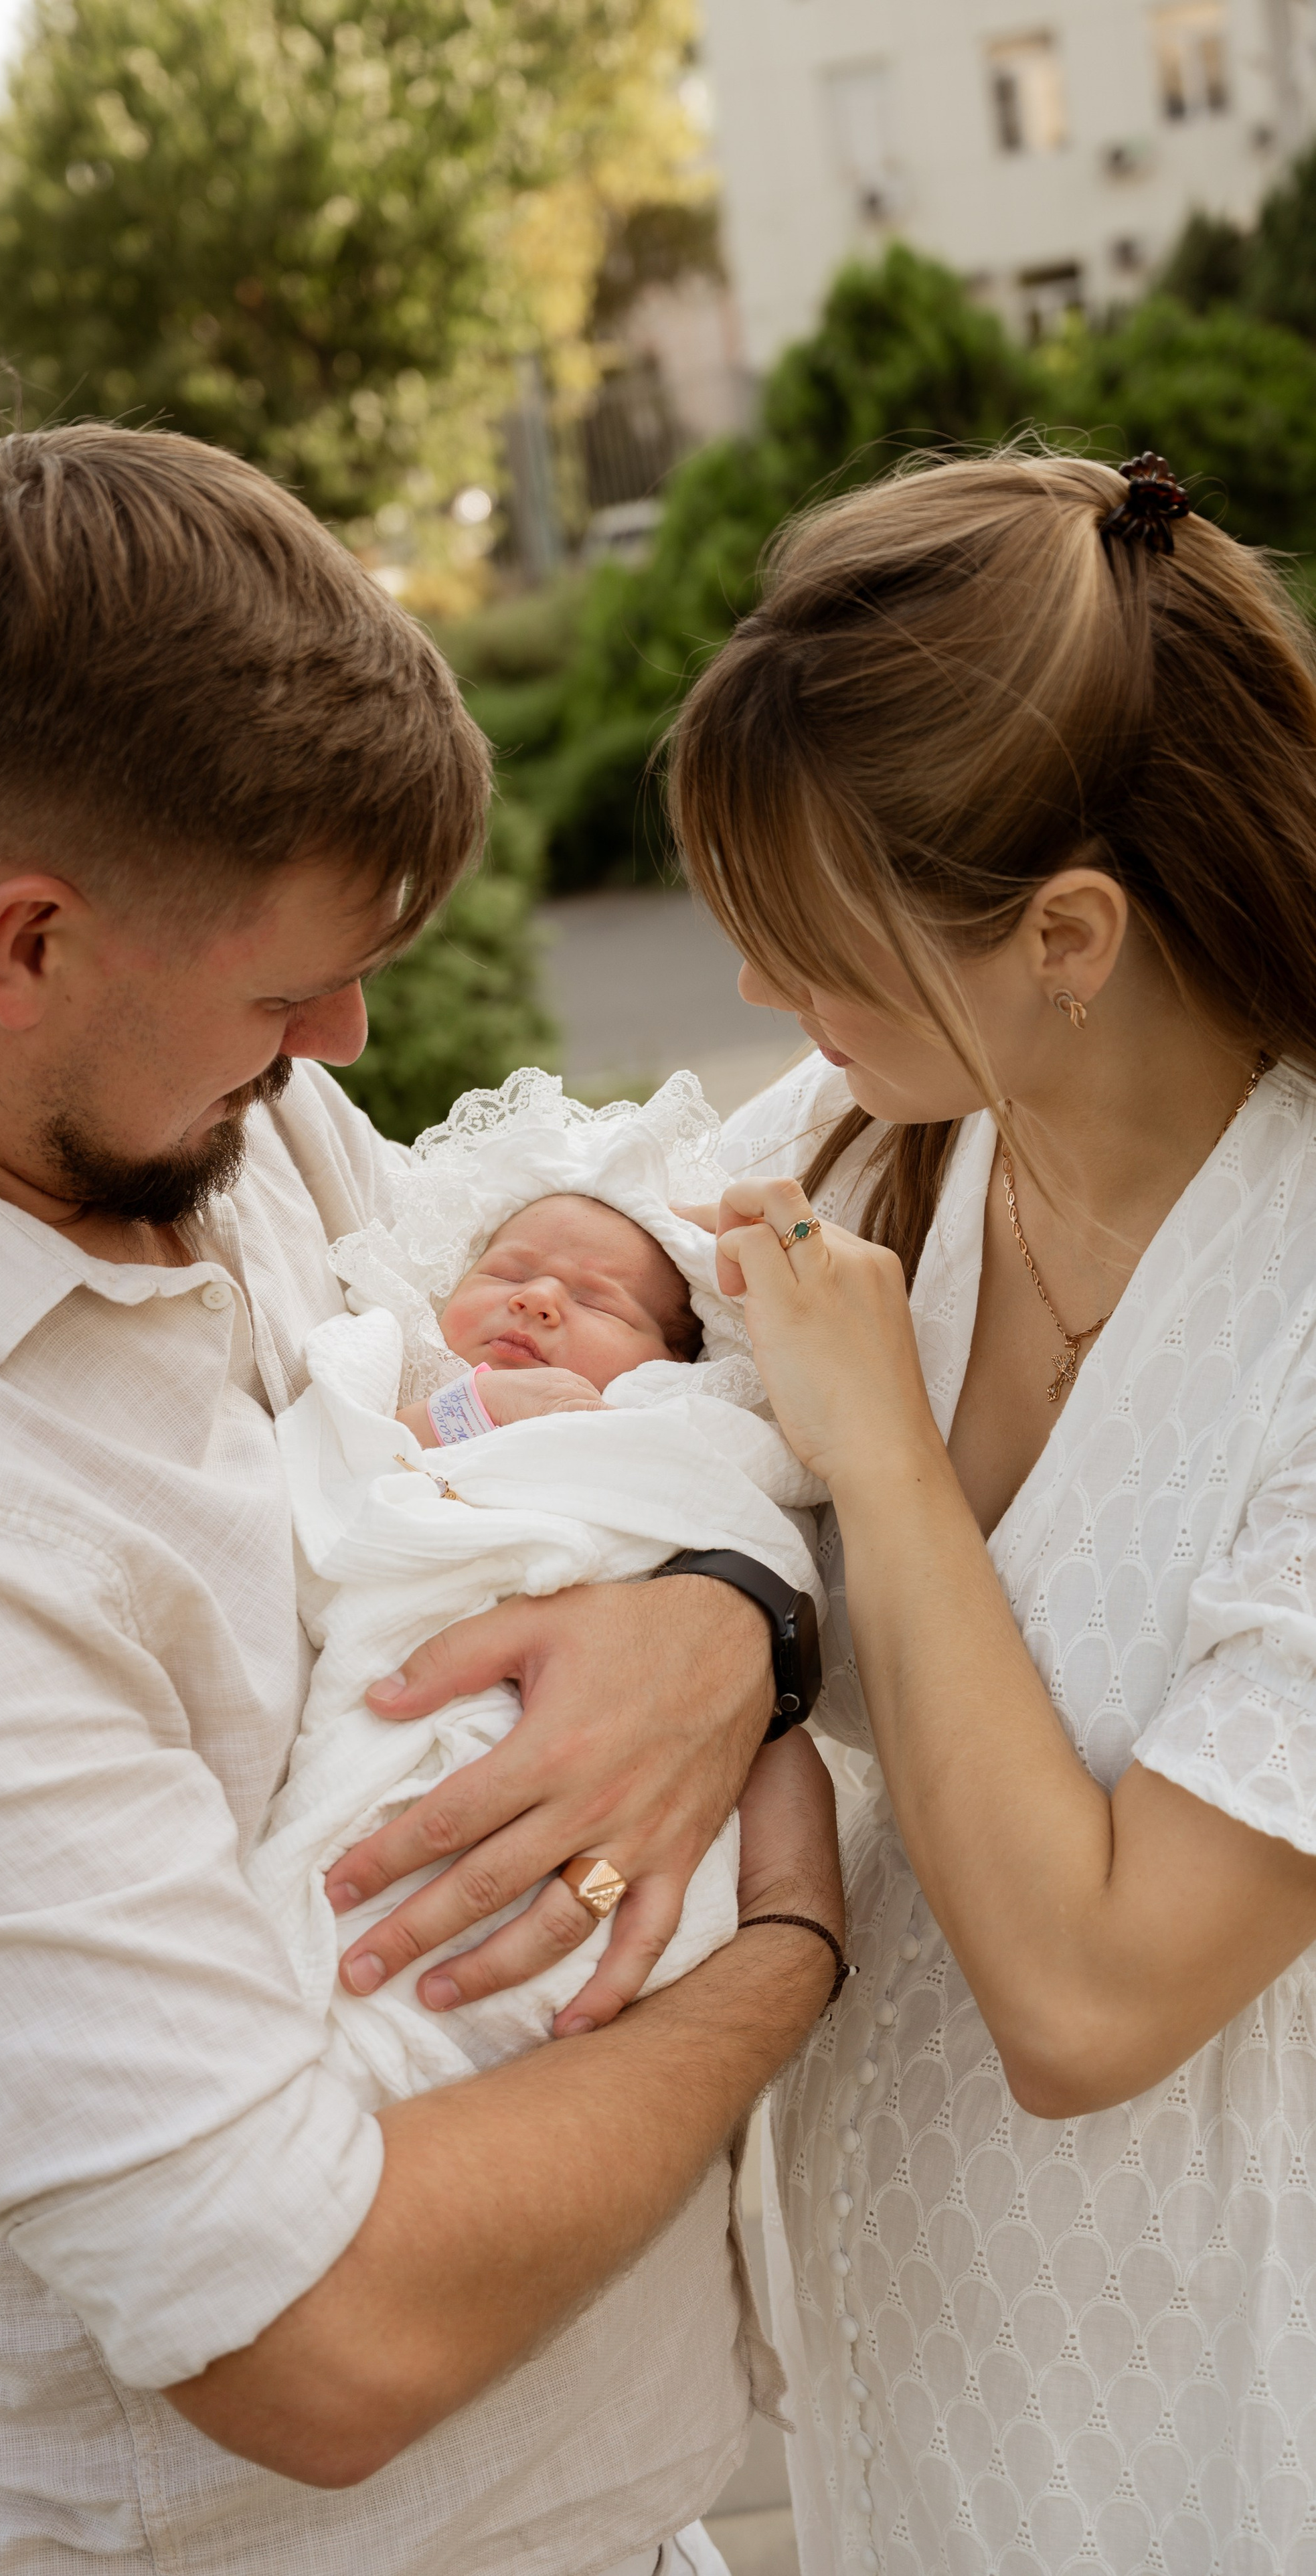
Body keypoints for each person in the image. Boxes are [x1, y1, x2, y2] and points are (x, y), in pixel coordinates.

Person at [0, 424, 842, 2576]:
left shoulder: (176, 1115)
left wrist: (732, 1606)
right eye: (287, 993)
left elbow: (537, 1428)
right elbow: (312, 2335)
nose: (345, 1044)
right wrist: (790, 1953)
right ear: (28, 949)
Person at [665, 447, 1316, 2576]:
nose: (770, 1000)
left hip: (1221, 2407)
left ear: (1066, 935)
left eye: (814, 947)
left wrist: (881, 1464)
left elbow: (1095, 1998)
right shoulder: (914, 1128)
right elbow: (591, 1217)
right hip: (917, 2384)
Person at [248, 1072, 829, 2110]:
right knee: (372, 1875)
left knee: (594, 1918)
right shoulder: (397, 1377)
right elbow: (325, 1487)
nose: (539, 1297)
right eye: (510, 1271)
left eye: (601, 1301)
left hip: (621, 1737)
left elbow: (750, 1521)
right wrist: (460, 1417)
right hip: (415, 1690)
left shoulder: (678, 1419)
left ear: (679, 1358)